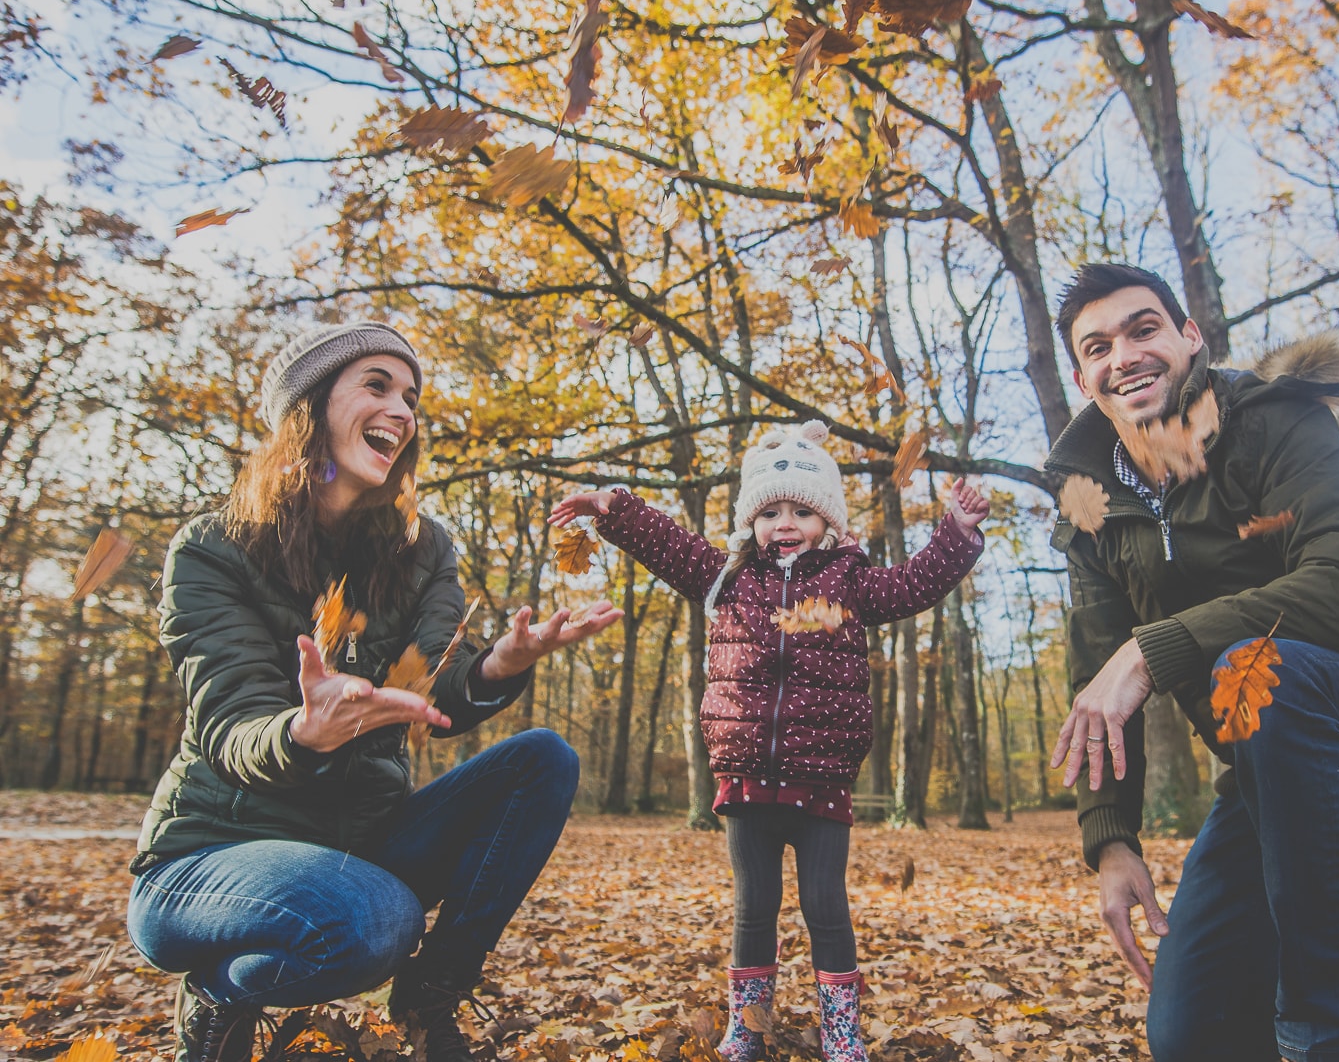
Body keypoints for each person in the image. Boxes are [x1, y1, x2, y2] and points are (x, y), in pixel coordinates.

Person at [1043, 264, 1339, 1062]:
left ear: (1190, 337)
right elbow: (1100, 689)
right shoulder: (1092, 514)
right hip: (1267, 785)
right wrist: (1113, 839)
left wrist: (1151, 649)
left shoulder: (1279, 421)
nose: (1124, 354)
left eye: (1143, 328)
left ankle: (1328, 1039)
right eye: (1099, 346)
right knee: (1195, 1039)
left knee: (1261, 665)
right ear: (1084, 377)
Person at [126, 322, 622, 1062]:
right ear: (313, 405)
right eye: (378, 386)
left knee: (542, 759)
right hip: (212, 858)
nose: (402, 409)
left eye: (412, 396)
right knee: (374, 922)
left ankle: (431, 999)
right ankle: (218, 991)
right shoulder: (212, 548)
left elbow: (436, 698)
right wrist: (305, 730)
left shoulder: (425, 550)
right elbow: (230, 727)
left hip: (358, 842)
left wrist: (501, 665)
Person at [549, 419, 987, 1062]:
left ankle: (841, 1028)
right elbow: (666, 543)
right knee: (754, 908)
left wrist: (957, 532)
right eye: (771, 511)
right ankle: (748, 1026)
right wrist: (612, 507)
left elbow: (914, 583)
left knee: (825, 907)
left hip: (821, 776)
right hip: (747, 773)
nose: (785, 523)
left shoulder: (850, 581)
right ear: (751, 521)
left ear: (829, 524)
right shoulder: (727, 579)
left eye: (802, 512)